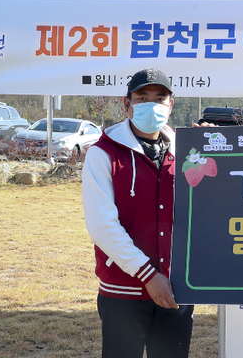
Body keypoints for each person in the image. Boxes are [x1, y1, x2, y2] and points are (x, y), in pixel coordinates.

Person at [82, 68, 206, 358]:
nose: (152, 104)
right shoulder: (103, 154)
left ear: (171, 104)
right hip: (124, 289)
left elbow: (212, 202)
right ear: (126, 104)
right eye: (142, 98)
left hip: (176, 286)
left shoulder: (186, 151)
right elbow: (102, 226)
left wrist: (212, 148)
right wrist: (149, 275)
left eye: (160, 98)